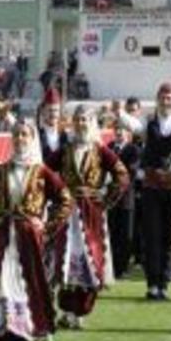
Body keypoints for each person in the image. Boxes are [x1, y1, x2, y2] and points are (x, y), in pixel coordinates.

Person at [0, 119, 72, 341]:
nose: (20, 139)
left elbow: (66, 200)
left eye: (24, 135)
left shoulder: (42, 172)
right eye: (16, 135)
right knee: (2, 290)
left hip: (29, 240)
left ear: (32, 138)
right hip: (4, 239)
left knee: (26, 290)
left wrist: (46, 228)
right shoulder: (1, 171)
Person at [48, 105, 130, 329]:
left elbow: (122, 175)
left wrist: (104, 197)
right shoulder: (64, 150)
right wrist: (57, 195)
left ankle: (81, 311)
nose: (81, 124)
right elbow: (43, 172)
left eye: (85, 120)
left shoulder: (100, 150)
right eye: (78, 120)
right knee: (65, 259)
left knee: (90, 260)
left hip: (91, 213)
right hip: (68, 212)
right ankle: (65, 311)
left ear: (92, 123)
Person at [120, 83, 171, 300]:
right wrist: (117, 112)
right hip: (152, 187)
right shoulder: (149, 124)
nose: (166, 102)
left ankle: (164, 283)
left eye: (170, 98)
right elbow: (132, 125)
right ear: (157, 100)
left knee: (168, 237)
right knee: (151, 236)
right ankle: (152, 285)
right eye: (163, 98)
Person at [106, 118, 140, 278]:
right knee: (112, 232)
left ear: (129, 133)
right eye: (117, 129)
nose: (119, 132)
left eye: (123, 129)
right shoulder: (109, 148)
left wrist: (117, 174)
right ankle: (113, 267)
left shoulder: (133, 149)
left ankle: (123, 266)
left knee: (126, 234)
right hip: (111, 197)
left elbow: (132, 171)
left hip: (127, 197)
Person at [37, 88, 69, 167]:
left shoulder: (65, 135)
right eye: (50, 110)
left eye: (56, 110)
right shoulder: (36, 135)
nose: (53, 114)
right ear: (43, 111)